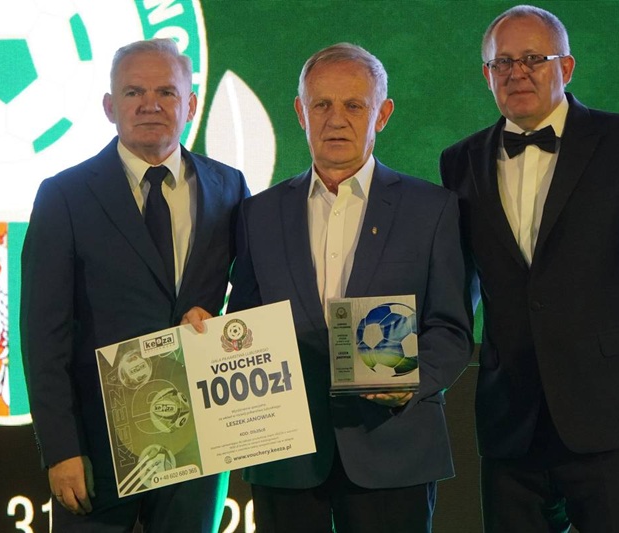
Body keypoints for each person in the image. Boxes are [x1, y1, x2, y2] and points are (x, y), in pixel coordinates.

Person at [439, 5, 619, 532]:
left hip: (613, 419)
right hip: (510, 422)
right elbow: (455, 287)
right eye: (503, 62)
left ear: (565, 67)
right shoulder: (459, 160)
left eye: (533, 59)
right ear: (487, 75)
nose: (517, 73)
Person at [184, 42, 470, 532]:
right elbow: (247, 322)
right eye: (322, 104)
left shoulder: (433, 210)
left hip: (393, 449)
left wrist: (407, 382)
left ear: (383, 115)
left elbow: (452, 328)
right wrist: (212, 334)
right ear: (301, 112)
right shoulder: (258, 214)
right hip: (286, 455)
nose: (336, 119)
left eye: (354, 105)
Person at [20, 38, 249, 532]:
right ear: (109, 106)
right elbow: (43, 336)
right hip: (97, 449)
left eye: (166, 91)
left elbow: (254, 295)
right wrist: (61, 449)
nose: (150, 104)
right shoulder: (64, 196)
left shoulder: (230, 187)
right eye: (133, 92)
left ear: (191, 104)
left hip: (199, 438)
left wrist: (222, 325)